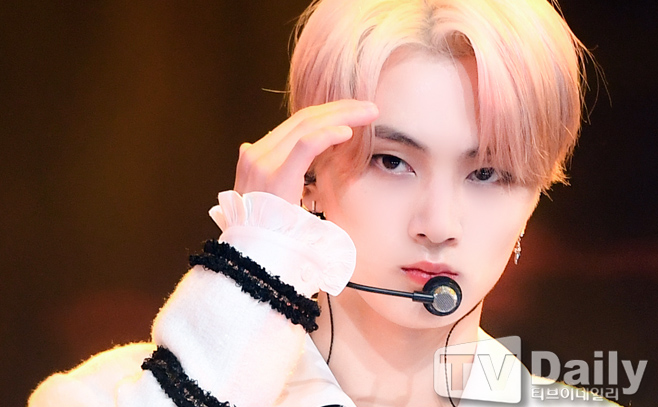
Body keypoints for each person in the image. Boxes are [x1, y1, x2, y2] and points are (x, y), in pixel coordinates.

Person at [29, 0, 621, 406]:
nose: (439, 224)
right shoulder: (105, 396)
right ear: (307, 174)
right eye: (391, 162)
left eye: (487, 172)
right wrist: (248, 268)